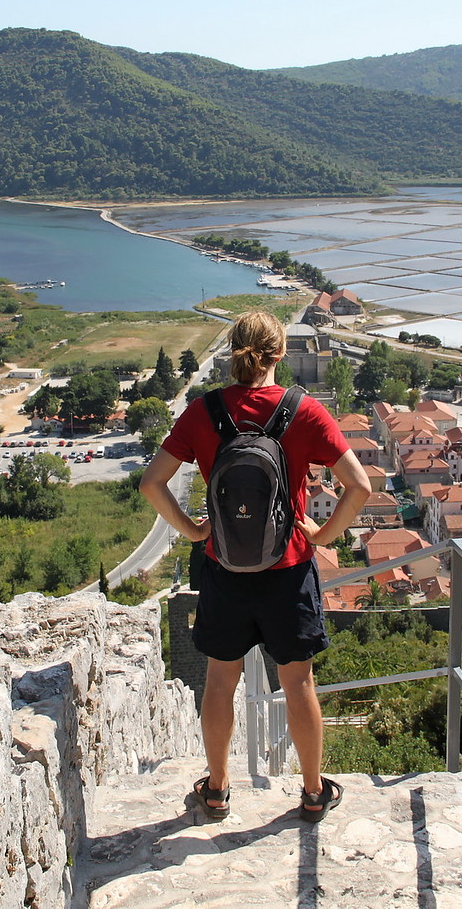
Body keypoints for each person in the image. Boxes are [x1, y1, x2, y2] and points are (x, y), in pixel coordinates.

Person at [139, 310, 371, 822]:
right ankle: (312, 793)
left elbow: (151, 482)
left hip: (225, 570)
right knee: (299, 684)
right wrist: (321, 534)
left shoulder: (204, 412)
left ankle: (217, 789)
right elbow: (361, 488)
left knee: (220, 683)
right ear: (280, 353)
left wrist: (196, 531)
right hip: (288, 571)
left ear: (232, 353)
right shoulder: (303, 411)